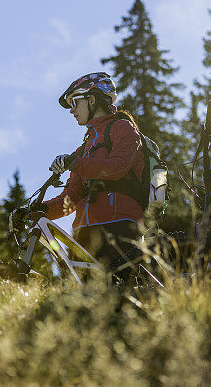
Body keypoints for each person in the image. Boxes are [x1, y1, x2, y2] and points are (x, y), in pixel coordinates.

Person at [31, 72, 145, 284]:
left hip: (120, 224)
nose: (72, 110)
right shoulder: (83, 148)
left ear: (92, 99)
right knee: (78, 302)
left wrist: (75, 163)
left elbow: (118, 167)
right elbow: (71, 197)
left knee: (119, 296)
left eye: (75, 102)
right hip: (84, 233)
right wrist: (40, 210)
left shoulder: (123, 128)